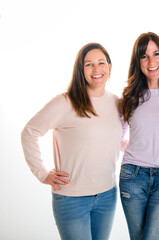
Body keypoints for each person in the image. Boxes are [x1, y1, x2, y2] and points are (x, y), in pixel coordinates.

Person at [21, 43, 123, 240]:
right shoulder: (65, 102)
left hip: (107, 195)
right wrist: (41, 173)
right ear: (80, 70)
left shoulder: (116, 102)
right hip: (72, 199)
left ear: (109, 67)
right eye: (89, 65)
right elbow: (29, 132)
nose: (96, 69)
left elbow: (111, 138)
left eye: (101, 63)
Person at [118, 32, 159, 240]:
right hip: (132, 176)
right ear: (138, 62)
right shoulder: (129, 96)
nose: (151, 61)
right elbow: (117, 136)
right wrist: (136, 144)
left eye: (156, 54)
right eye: (144, 56)